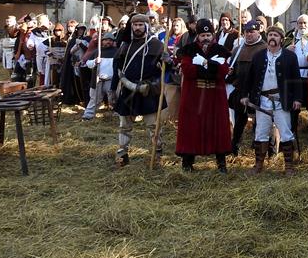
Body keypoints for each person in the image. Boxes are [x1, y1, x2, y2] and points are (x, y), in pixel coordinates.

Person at [240, 26, 303, 175]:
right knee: (261, 133)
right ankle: (258, 166)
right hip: (262, 101)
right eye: (270, 35)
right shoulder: (259, 56)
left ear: (281, 39)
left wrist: (298, 98)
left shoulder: (290, 56)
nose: (272, 37)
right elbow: (249, 78)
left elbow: (297, 80)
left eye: (275, 35)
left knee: (286, 133)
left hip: (282, 101)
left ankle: (288, 167)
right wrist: (244, 95)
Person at [175, 18, 231, 172]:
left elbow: (223, 71)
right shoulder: (189, 50)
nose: (205, 38)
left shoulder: (220, 50)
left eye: (208, 35)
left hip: (215, 97)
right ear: (198, 36)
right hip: (194, 97)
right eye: (202, 35)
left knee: (217, 127)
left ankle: (221, 164)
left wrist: (203, 64)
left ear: (212, 35)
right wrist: (211, 66)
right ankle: (187, 163)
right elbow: (188, 70)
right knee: (191, 128)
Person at [112, 14, 166, 167]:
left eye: (141, 25)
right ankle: (122, 155)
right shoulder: (125, 46)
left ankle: (157, 154)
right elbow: (117, 68)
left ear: (146, 26)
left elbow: (164, 70)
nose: (137, 28)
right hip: (128, 90)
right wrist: (112, 90)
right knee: (124, 125)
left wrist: (167, 61)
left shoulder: (156, 45)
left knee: (153, 125)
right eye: (135, 25)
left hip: (148, 90)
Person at [226, 19, 267, 155]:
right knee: (239, 120)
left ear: (258, 31)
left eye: (252, 32)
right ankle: (235, 147)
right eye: (246, 32)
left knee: (260, 121)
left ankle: (262, 149)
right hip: (240, 90)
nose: (249, 35)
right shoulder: (238, 49)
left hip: (258, 92)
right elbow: (232, 71)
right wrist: (229, 74)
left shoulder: (265, 48)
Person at [285, 14, 308, 135]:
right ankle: (292, 132)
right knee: (294, 105)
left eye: (305, 23)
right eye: (300, 23)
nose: (302, 25)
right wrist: (287, 50)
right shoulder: (290, 38)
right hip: (295, 76)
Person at [82, 32, 117, 120]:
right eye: (106, 40)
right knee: (94, 99)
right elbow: (88, 64)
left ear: (113, 42)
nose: (108, 42)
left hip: (111, 79)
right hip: (98, 79)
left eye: (110, 40)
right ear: (102, 41)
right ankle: (88, 116)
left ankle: (117, 115)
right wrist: (95, 61)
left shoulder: (117, 52)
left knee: (113, 98)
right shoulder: (97, 52)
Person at [46, 23, 67, 88]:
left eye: (59, 30)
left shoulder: (66, 40)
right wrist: (49, 53)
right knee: (54, 79)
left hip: (63, 62)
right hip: (54, 62)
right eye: (56, 30)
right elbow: (43, 48)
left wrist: (64, 58)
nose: (57, 32)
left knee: (63, 78)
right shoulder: (51, 40)